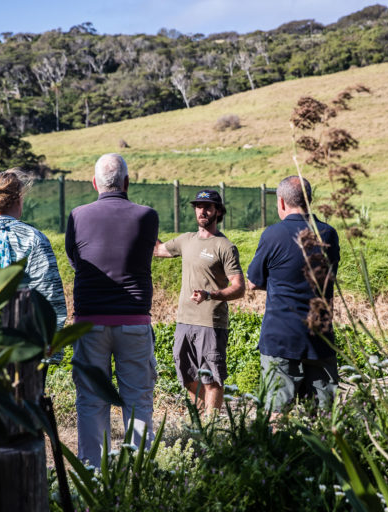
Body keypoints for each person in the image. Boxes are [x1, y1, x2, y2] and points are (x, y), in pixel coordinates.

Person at [65, 153, 159, 466]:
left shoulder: (78, 215)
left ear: (94, 183)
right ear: (127, 183)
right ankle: (140, 473)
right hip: (133, 320)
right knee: (138, 399)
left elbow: (75, 260)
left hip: (89, 320)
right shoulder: (148, 215)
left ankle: (93, 471)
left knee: (91, 399)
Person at [247, 176, 340, 413]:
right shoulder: (328, 234)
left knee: (277, 413)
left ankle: (279, 450)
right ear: (310, 200)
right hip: (320, 338)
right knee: (324, 416)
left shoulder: (272, 235)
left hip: (281, 338)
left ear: (281, 202)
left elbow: (254, 282)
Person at [154, 189, 245, 415]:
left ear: (218, 211)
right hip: (184, 320)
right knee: (187, 376)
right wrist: (143, 224)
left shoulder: (225, 246)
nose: (202, 211)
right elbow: (157, 250)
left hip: (210, 323)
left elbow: (239, 287)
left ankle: (211, 428)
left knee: (211, 379)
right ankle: (202, 419)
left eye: (208, 207)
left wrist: (211, 295)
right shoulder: (186, 240)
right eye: (198, 206)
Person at [0, 168, 67, 331]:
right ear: (19, 200)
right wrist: (50, 350)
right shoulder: (34, 239)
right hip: (20, 344)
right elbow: (50, 297)